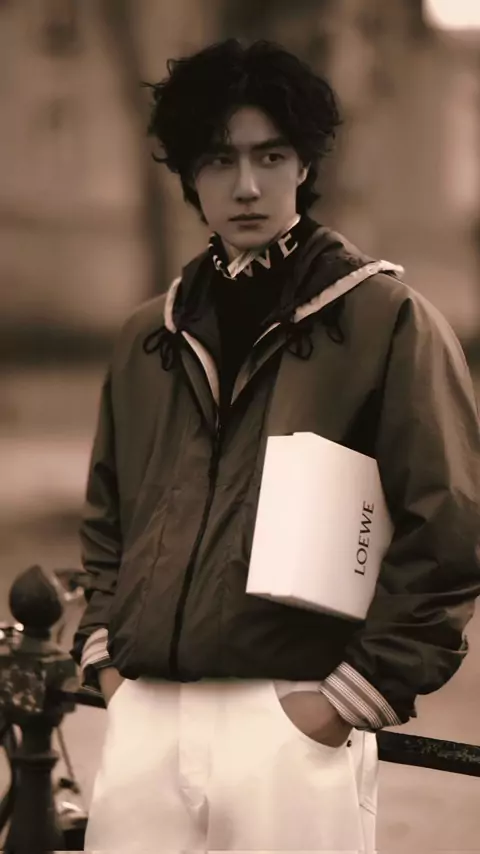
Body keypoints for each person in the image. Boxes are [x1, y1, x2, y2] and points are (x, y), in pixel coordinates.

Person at [70, 38, 480, 853]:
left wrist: (344, 701)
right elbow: (108, 516)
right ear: (190, 173)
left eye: (271, 155)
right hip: (146, 715)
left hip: (295, 719)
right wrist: (109, 667)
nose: (247, 185)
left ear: (305, 163)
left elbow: (449, 530)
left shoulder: (388, 321)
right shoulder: (147, 336)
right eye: (220, 159)